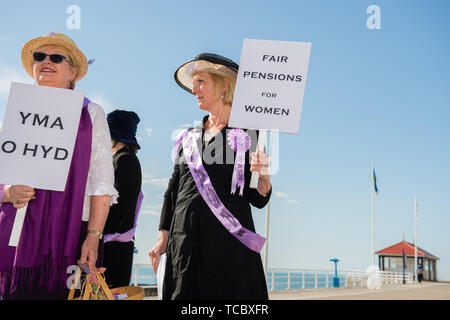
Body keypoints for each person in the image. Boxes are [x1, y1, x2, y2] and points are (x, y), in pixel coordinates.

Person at [0, 32, 118, 299]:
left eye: (56, 57)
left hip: (68, 233)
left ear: (73, 72)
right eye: (39, 56)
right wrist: (8, 193)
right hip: (14, 232)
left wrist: (93, 236)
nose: (46, 61)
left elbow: (102, 181)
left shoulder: (91, 114)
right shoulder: (14, 114)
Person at [149, 53, 272, 299]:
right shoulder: (188, 137)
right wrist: (163, 235)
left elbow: (256, 199)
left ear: (224, 85)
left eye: (201, 82)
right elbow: (174, 189)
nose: (194, 89)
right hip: (184, 245)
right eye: (193, 83)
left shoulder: (248, 133)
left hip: (227, 248)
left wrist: (264, 177)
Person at [103, 110, 142, 288]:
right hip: (114, 244)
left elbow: (122, 205)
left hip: (114, 247)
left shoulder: (125, 160)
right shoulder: (122, 159)